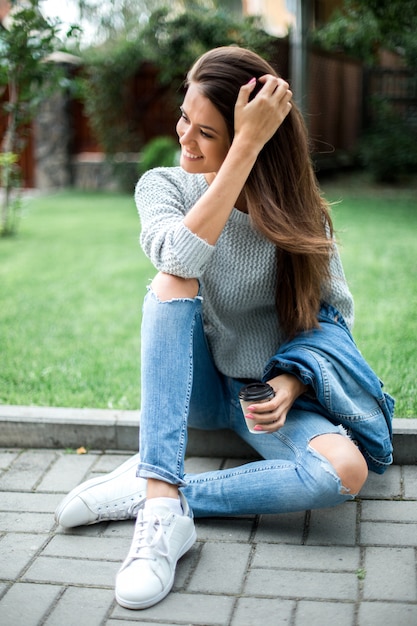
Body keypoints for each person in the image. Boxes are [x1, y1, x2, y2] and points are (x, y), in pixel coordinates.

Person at [55, 46, 394, 610]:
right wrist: (242, 149)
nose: (186, 137)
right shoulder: (161, 185)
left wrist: (292, 384)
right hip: (195, 386)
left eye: (207, 132)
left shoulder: (301, 214)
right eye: (185, 117)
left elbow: (334, 320)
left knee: (345, 471)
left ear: (248, 138)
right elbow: (180, 257)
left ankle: (157, 493)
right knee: (172, 280)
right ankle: (162, 513)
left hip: (263, 396)